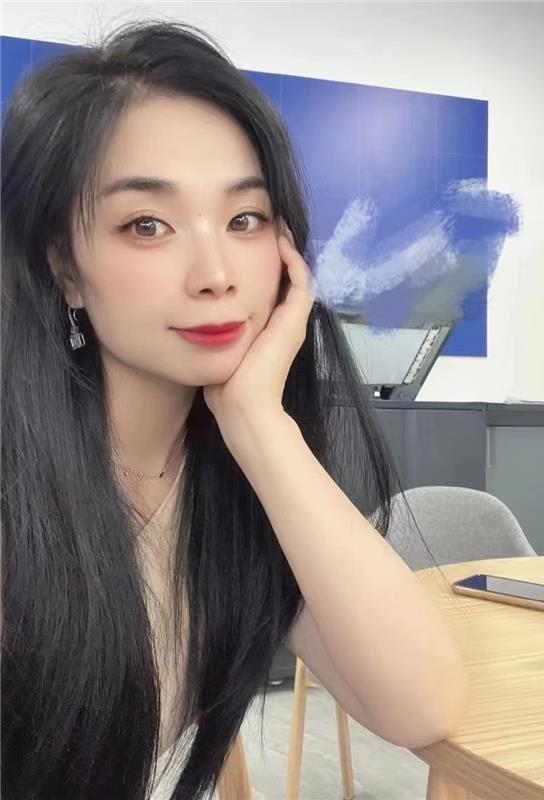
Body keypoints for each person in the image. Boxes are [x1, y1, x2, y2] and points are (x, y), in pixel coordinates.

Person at [0, 19, 469, 800]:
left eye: (244, 219)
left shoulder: (229, 481)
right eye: (147, 225)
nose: (216, 273)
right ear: (64, 269)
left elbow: (420, 707)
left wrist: (258, 424)